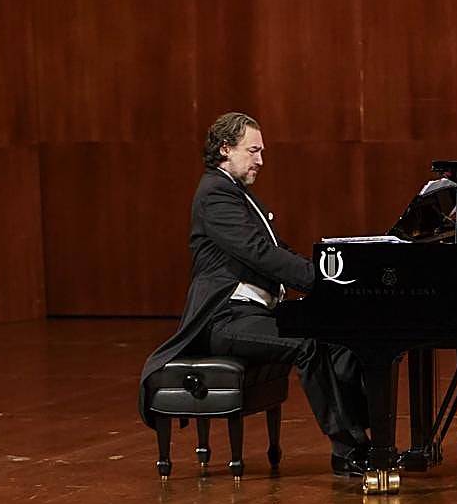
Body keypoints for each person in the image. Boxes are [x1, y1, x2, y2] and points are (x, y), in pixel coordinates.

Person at [139, 112, 371, 476]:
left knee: (339, 337)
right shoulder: (215, 195)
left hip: (252, 314)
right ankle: (347, 450)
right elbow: (260, 255)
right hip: (224, 318)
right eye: (254, 151)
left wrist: (330, 277)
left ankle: (365, 438)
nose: (261, 160)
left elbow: (278, 248)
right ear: (225, 149)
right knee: (308, 343)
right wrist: (321, 283)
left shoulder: (238, 194)